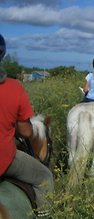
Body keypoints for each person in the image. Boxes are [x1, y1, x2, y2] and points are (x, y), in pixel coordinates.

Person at [0, 34, 54, 218]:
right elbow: (25, 131)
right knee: (45, 178)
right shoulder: (14, 87)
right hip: (3, 158)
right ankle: (45, 215)